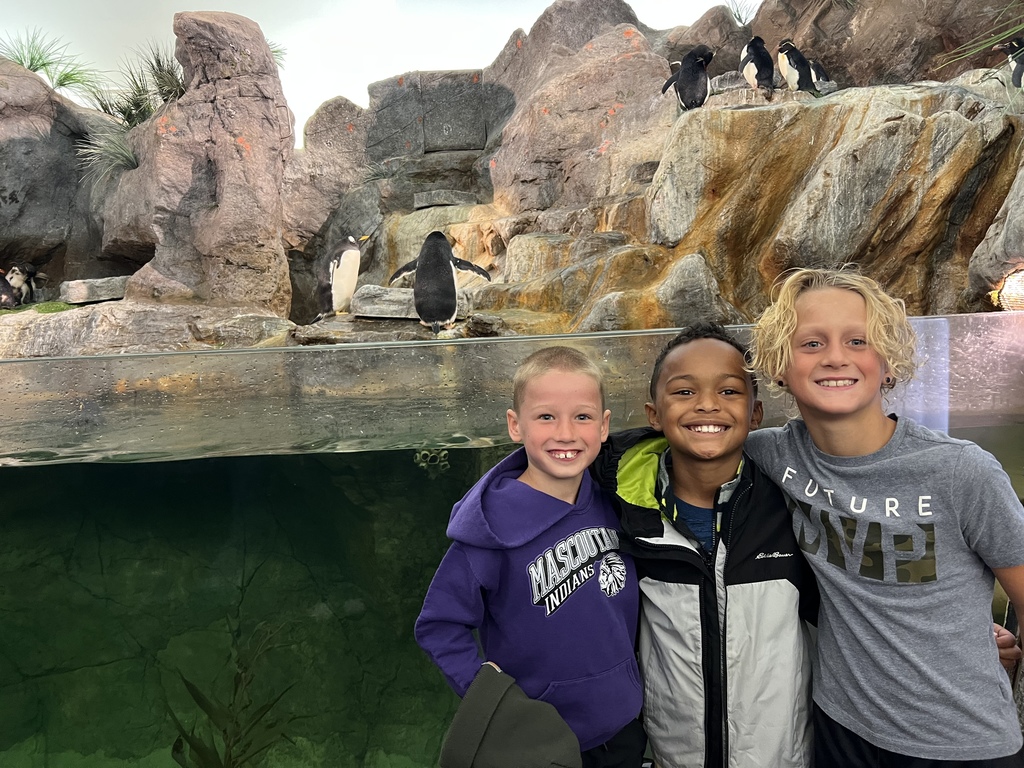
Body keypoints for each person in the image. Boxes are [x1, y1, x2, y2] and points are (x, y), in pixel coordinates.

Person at [747, 266, 1024, 767]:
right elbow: (689, 444)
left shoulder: (961, 471)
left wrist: (1003, 665)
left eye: (858, 341)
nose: (835, 357)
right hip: (841, 728)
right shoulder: (771, 455)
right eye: (811, 343)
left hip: (964, 739)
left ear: (888, 362)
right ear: (779, 366)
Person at [590, 322, 819, 768]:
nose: (708, 405)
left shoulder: (790, 506)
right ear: (653, 413)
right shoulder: (621, 508)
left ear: (756, 414)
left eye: (730, 391)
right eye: (684, 392)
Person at [415, 346, 646, 767]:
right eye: (545, 417)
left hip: (622, 728)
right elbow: (438, 626)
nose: (565, 432)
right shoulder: (488, 532)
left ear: (604, 426)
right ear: (515, 425)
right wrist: (495, 701)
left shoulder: (615, 502)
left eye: (583, 416)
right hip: (536, 745)